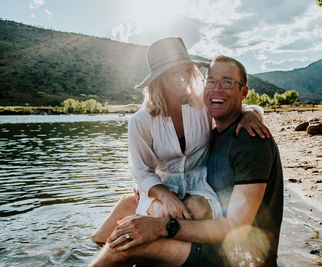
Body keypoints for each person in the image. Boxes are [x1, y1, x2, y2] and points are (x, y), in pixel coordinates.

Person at [89, 55, 283, 266]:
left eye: (227, 82)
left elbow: (236, 228)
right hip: (204, 224)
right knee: (128, 204)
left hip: (236, 256)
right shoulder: (216, 128)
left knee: (126, 246)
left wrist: (159, 227)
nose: (216, 89)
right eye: (211, 82)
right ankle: (82, 251)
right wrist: (155, 191)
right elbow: (143, 169)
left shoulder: (250, 140)